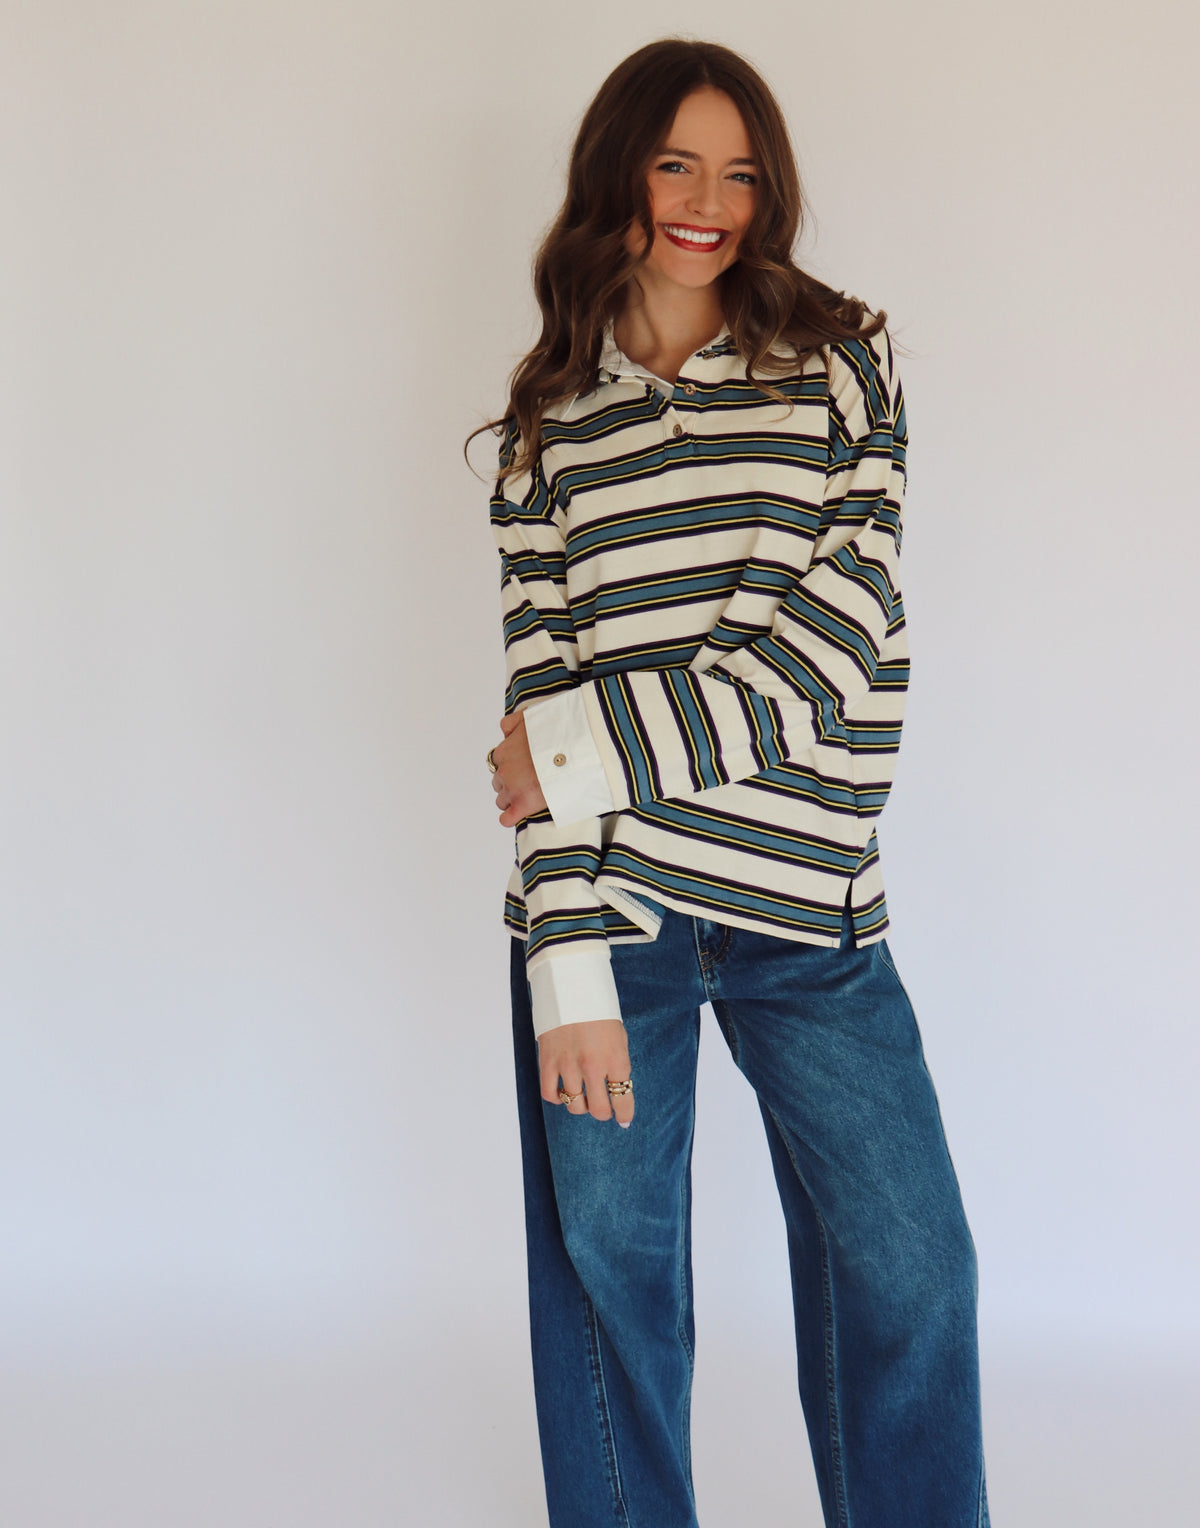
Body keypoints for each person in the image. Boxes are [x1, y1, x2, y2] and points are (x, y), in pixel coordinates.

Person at [473, 37, 990, 1528]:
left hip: (808, 918)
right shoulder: (544, 430)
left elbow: (839, 645)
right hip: (614, 923)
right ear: (619, 178)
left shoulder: (845, 363)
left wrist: (585, 755)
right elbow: (537, 686)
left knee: (915, 1271)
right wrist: (565, 960)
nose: (711, 201)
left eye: (743, 171)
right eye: (677, 163)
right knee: (610, 1291)